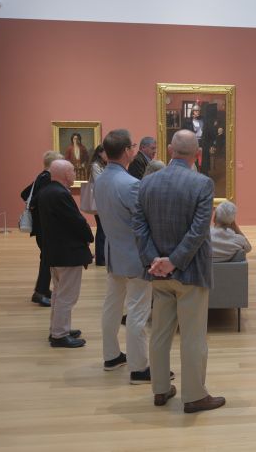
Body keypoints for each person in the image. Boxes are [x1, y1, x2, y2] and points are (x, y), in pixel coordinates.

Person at [132, 129, 225, 413]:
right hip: (190, 272)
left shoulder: (147, 183)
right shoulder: (203, 184)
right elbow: (198, 231)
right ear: (197, 154)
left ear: (170, 150)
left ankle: (160, 389)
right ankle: (194, 395)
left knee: (160, 333)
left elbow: (138, 226)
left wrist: (155, 261)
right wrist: (173, 260)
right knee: (193, 336)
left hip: (158, 274)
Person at [94, 129, 162, 383]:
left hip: (113, 253)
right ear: (126, 151)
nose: (134, 149)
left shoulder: (100, 180)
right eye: (133, 146)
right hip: (134, 256)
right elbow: (145, 221)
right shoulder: (131, 184)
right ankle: (138, 367)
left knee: (112, 306)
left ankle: (111, 355)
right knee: (137, 311)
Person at [38, 160, 93, 348]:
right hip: (67, 253)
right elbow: (76, 221)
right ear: (64, 174)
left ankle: (58, 327)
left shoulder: (47, 191)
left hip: (55, 251)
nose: (75, 174)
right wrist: (88, 235)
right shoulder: (60, 194)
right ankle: (59, 335)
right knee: (67, 296)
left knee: (59, 294)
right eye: (72, 171)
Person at [20, 150, 64, 307]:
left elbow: (25, 193)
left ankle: (43, 290)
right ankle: (39, 293)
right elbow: (40, 198)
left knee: (46, 258)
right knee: (47, 258)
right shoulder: (47, 178)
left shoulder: (42, 176)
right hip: (45, 226)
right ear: (54, 165)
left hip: (41, 226)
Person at [88, 145, 108, 266]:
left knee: (104, 229)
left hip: (104, 200)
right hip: (100, 201)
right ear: (100, 153)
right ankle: (101, 259)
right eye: (106, 152)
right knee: (101, 229)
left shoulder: (105, 164)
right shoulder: (95, 165)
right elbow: (99, 181)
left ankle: (103, 256)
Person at [181, 104, 214, 174]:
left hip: (203, 142)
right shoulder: (188, 121)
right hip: (192, 143)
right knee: (193, 161)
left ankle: (204, 175)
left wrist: (212, 145)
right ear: (192, 111)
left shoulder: (204, 120)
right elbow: (183, 132)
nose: (197, 112)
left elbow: (210, 133)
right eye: (196, 111)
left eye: (198, 111)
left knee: (204, 161)